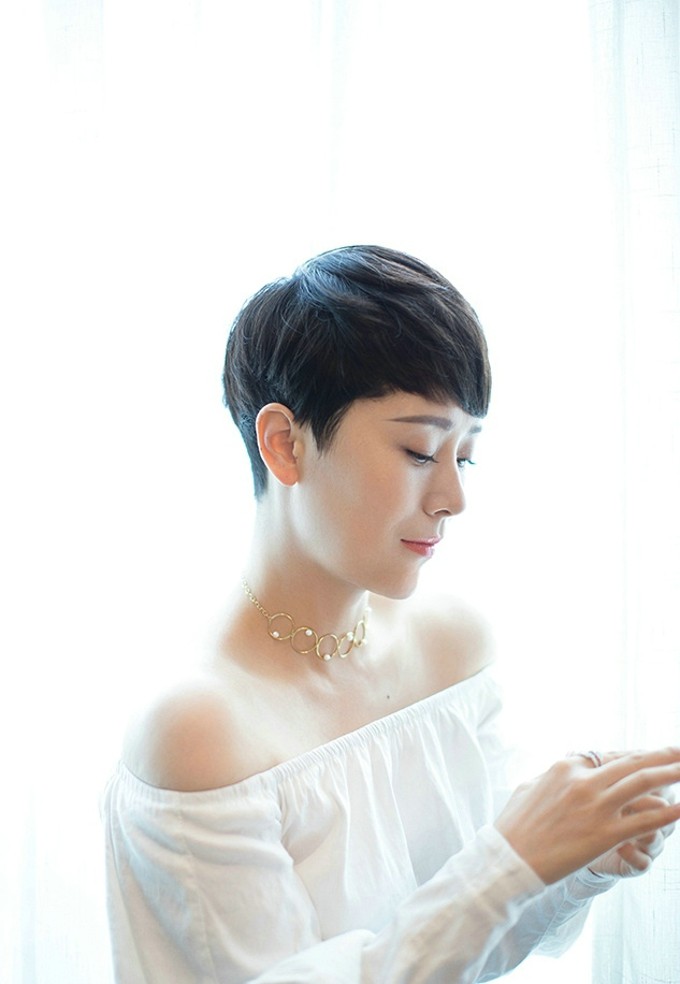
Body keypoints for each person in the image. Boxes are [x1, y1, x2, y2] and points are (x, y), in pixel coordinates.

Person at [103, 245, 680, 983]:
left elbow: (474, 938)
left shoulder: (452, 646)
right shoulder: (198, 729)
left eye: (464, 457)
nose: (453, 499)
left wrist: (576, 857)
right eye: (418, 450)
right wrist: (516, 857)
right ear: (284, 443)